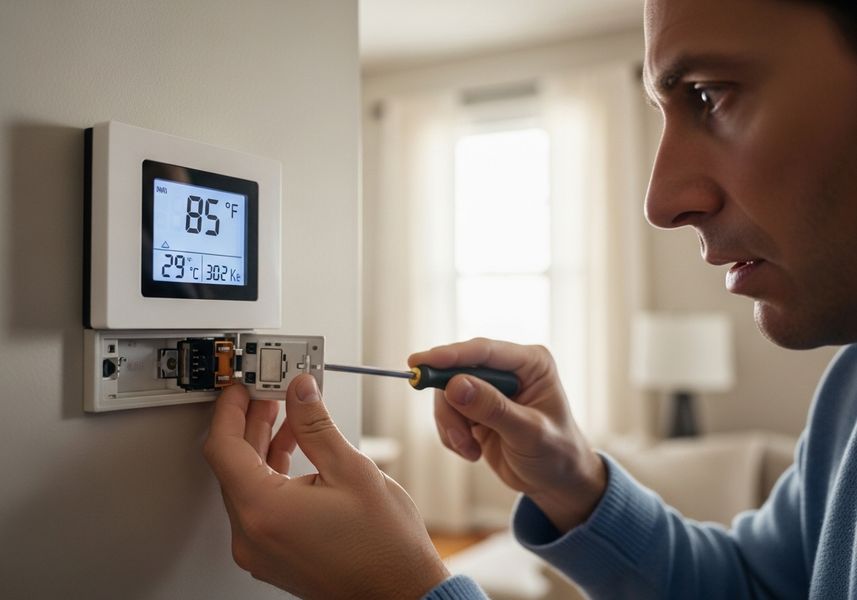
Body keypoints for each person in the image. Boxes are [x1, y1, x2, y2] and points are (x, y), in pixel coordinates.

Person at [202, 0, 857, 597]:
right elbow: (753, 588)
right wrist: (576, 485)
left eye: (709, 96)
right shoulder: (846, 393)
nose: (659, 202)